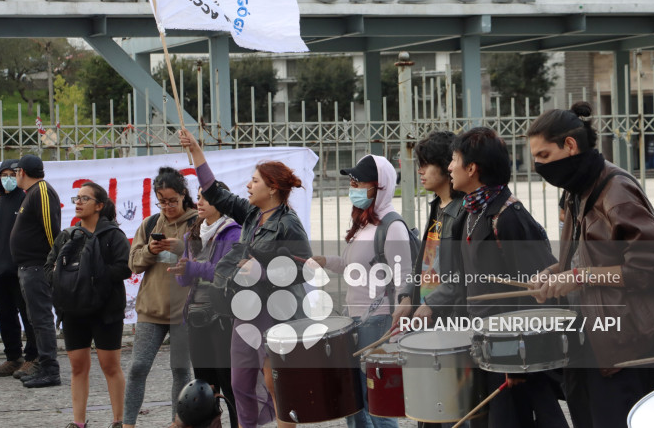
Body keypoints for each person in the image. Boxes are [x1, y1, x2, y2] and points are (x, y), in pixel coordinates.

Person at [527, 102, 654, 428]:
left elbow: (650, 268)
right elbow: (585, 258)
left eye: (544, 156)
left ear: (570, 145)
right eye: (534, 158)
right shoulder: (575, 191)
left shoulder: (616, 190)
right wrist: (553, 275)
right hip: (586, 340)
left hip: (622, 345)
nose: (538, 166)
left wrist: (579, 277)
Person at [179, 128, 312, 428]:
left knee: (276, 386)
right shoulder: (251, 214)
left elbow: (306, 267)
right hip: (245, 311)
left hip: (276, 313)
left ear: (273, 188)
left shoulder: (288, 223)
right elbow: (215, 191)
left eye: (255, 181)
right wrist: (196, 150)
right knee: (240, 385)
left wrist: (263, 272)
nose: (248, 186)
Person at [448, 127, 567, 428]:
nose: (449, 167)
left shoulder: (509, 216)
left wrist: (519, 359)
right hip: (483, 348)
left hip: (511, 356)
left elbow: (536, 295)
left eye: (454, 159)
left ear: (472, 168)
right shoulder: (470, 212)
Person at [312, 154, 412, 428]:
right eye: (352, 181)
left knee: (377, 401)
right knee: (352, 399)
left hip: (378, 321)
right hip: (354, 319)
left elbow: (405, 276)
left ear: (380, 185)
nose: (353, 186)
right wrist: (324, 261)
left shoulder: (392, 227)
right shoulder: (365, 223)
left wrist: (402, 312)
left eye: (359, 181)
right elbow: (351, 266)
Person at [45, 182, 131, 428]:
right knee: (77, 366)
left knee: (110, 366)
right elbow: (47, 268)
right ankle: (78, 422)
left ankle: (118, 420)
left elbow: (125, 266)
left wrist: (94, 277)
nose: (79, 202)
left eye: (85, 198)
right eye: (77, 198)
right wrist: (60, 280)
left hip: (105, 310)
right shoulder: (68, 235)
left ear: (99, 205)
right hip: (72, 310)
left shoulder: (112, 235)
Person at [124, 167, 196, 428]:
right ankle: (127, 423)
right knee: (137, 368)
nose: (167, 206)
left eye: (172, 201)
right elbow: (133, 264)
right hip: (151, 310)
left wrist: (181, 248)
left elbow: (208, 260)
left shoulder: (196, 221)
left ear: (183, 195)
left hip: (183, 312)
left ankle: (177, 423)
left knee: (180, 371)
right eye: (162, 201)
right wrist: (150, 251)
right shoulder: (150, 223)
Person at [170, 182, 241, 428]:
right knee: (203, 387)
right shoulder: (192, 233)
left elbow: (225, 273)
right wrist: (182, 271)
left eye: (205, 199)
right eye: (198, 197)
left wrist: (193, 267)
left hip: (222, 317)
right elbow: (184, 279)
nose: (198, 202)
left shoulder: (233, 233)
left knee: (230, 384)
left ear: (220, 202)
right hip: (196, 315)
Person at [392, 131, 467, 329]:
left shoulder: (464, 211)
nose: (420, 171)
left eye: (426, 164)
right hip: (428, 318)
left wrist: (432, 303)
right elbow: (425, 264)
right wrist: (407, 295)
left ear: (445, 164)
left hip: (452, 320)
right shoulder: (437, 207)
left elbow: (466, 273)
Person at [9, 154, 62, 388]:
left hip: (37, 266)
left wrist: (52, 260)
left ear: (22, 172)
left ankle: (50, 369)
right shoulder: (31, 194)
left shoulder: (41, 190)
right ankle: (42, 361)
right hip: (28, 266)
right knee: (35, 318)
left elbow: (51, 228)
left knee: (41, 318)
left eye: (15, 172)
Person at [0, 160, 39, 378]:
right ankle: (12, 357)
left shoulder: (27, 200)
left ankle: (33, 357)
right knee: (5, 315)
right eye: (3, 174)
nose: (7, 178)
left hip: (21, 270)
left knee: (29, 316)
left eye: (12, 173)